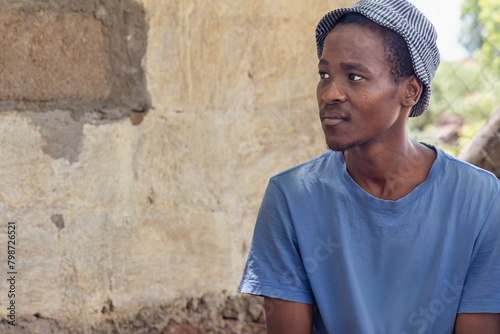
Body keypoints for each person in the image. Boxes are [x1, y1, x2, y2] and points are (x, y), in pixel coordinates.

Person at [238, 0, 500, 333]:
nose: (330, 92)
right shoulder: (291, 198)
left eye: (354, 76)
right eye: (324, 74)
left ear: (409, 91)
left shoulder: (480, 200)